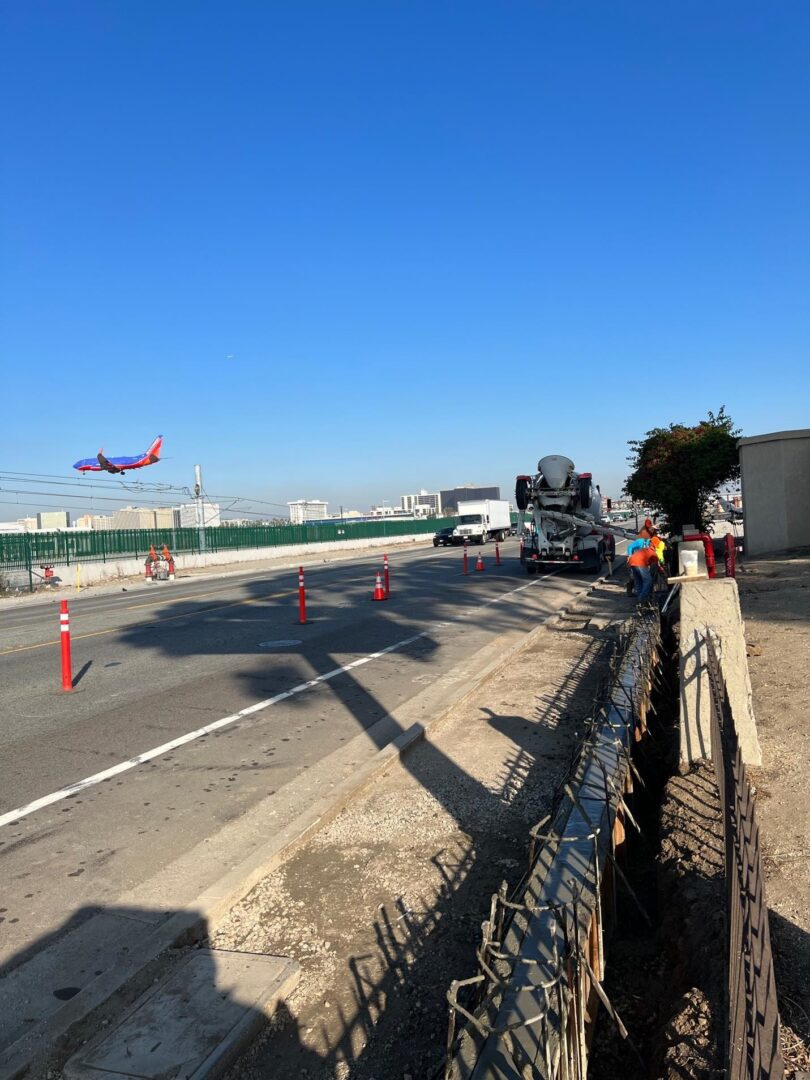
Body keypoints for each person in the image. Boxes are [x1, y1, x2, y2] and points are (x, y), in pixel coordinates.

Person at [626, 536, 659, 601]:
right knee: (648, 581)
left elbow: (648, 562)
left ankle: (639, 600)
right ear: (653, 544)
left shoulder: (645, 549)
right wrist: (629, 556)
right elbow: (654, 566)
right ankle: (642, 598)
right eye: (655, 546)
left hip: (632, 562)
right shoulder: (651, 552)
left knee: (639, 581)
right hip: (638, 563)